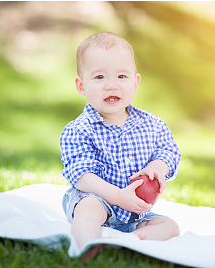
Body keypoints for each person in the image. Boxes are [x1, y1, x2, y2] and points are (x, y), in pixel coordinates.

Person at [60, 31, 181, 251]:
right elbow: (82, 176)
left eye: (121, 77)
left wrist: (156, 168)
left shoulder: (151, 125)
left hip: (135, 211)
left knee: (170, 227)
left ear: (135, 83)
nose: (111, 85)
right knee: (88, 210)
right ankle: (87, 247)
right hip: (98, 199)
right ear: (81, 86)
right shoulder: (79, 129)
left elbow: (169, 151)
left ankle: (131, 240)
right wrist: (116, 196)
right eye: (99, 77)